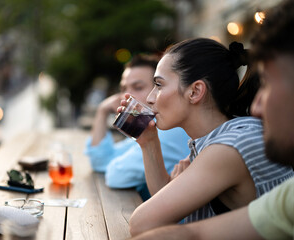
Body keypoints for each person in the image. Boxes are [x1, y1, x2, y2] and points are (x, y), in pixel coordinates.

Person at [129, 0, 294, 239]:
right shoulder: (216, 137)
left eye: (158, 85)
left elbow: (143, 223)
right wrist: (148, 141)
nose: (150, 98)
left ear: (195, 91)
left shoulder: (231, 146)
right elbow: (166, 206)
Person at [85, 54, 190, 201]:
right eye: (123, 89)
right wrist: (102, 110)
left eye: (138, 87)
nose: (126, 96)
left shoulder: (170, 130)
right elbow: (101, 161)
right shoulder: (150, 129)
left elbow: (116, 176)